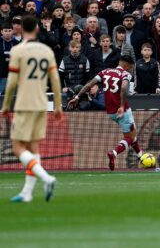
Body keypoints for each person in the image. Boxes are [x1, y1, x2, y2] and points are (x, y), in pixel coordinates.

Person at [1, 16, 62, 203]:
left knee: (18, 147)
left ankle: (46, 178)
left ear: (20, 30)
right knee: (33, 148)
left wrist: (5, 105)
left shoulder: (17, 50)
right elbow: (55, 81)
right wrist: (58, 105)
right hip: (41, 103)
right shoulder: (46, 51)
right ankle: (27, 193)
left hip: (25, 103)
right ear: (37, 29)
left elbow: (11, 82)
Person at [68, 55, 144, 171]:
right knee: (130, 136)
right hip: (122, 110)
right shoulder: (125, 74)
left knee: (131, 135)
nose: (130, 69)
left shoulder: (105, 71)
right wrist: (122, 106)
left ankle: (141, 157)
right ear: (127, 66)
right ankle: (114, 153)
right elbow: (124, 88)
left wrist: (77, 97)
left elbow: (89, 84)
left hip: (111, 112)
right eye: (130, 67)